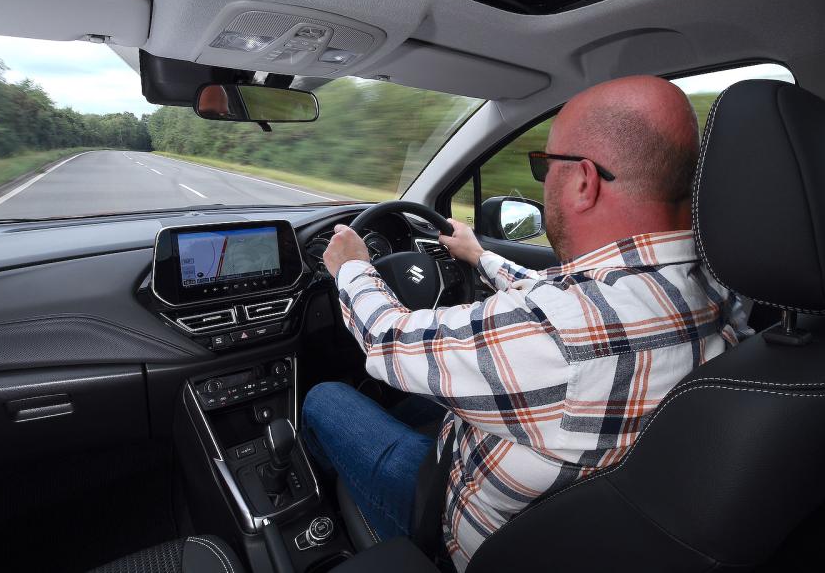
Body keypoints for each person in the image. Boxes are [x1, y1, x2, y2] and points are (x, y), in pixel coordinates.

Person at [304, 75, 751, 571]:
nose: (544, 179)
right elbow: (564, 299)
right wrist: (481, 258)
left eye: (545, 165)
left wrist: (351, 266)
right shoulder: (717, 287)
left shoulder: (564, 334)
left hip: (449, 520)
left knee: (325, 399)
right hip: (567, 520)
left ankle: (330, 526)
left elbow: (388, 341)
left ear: (583, 180)